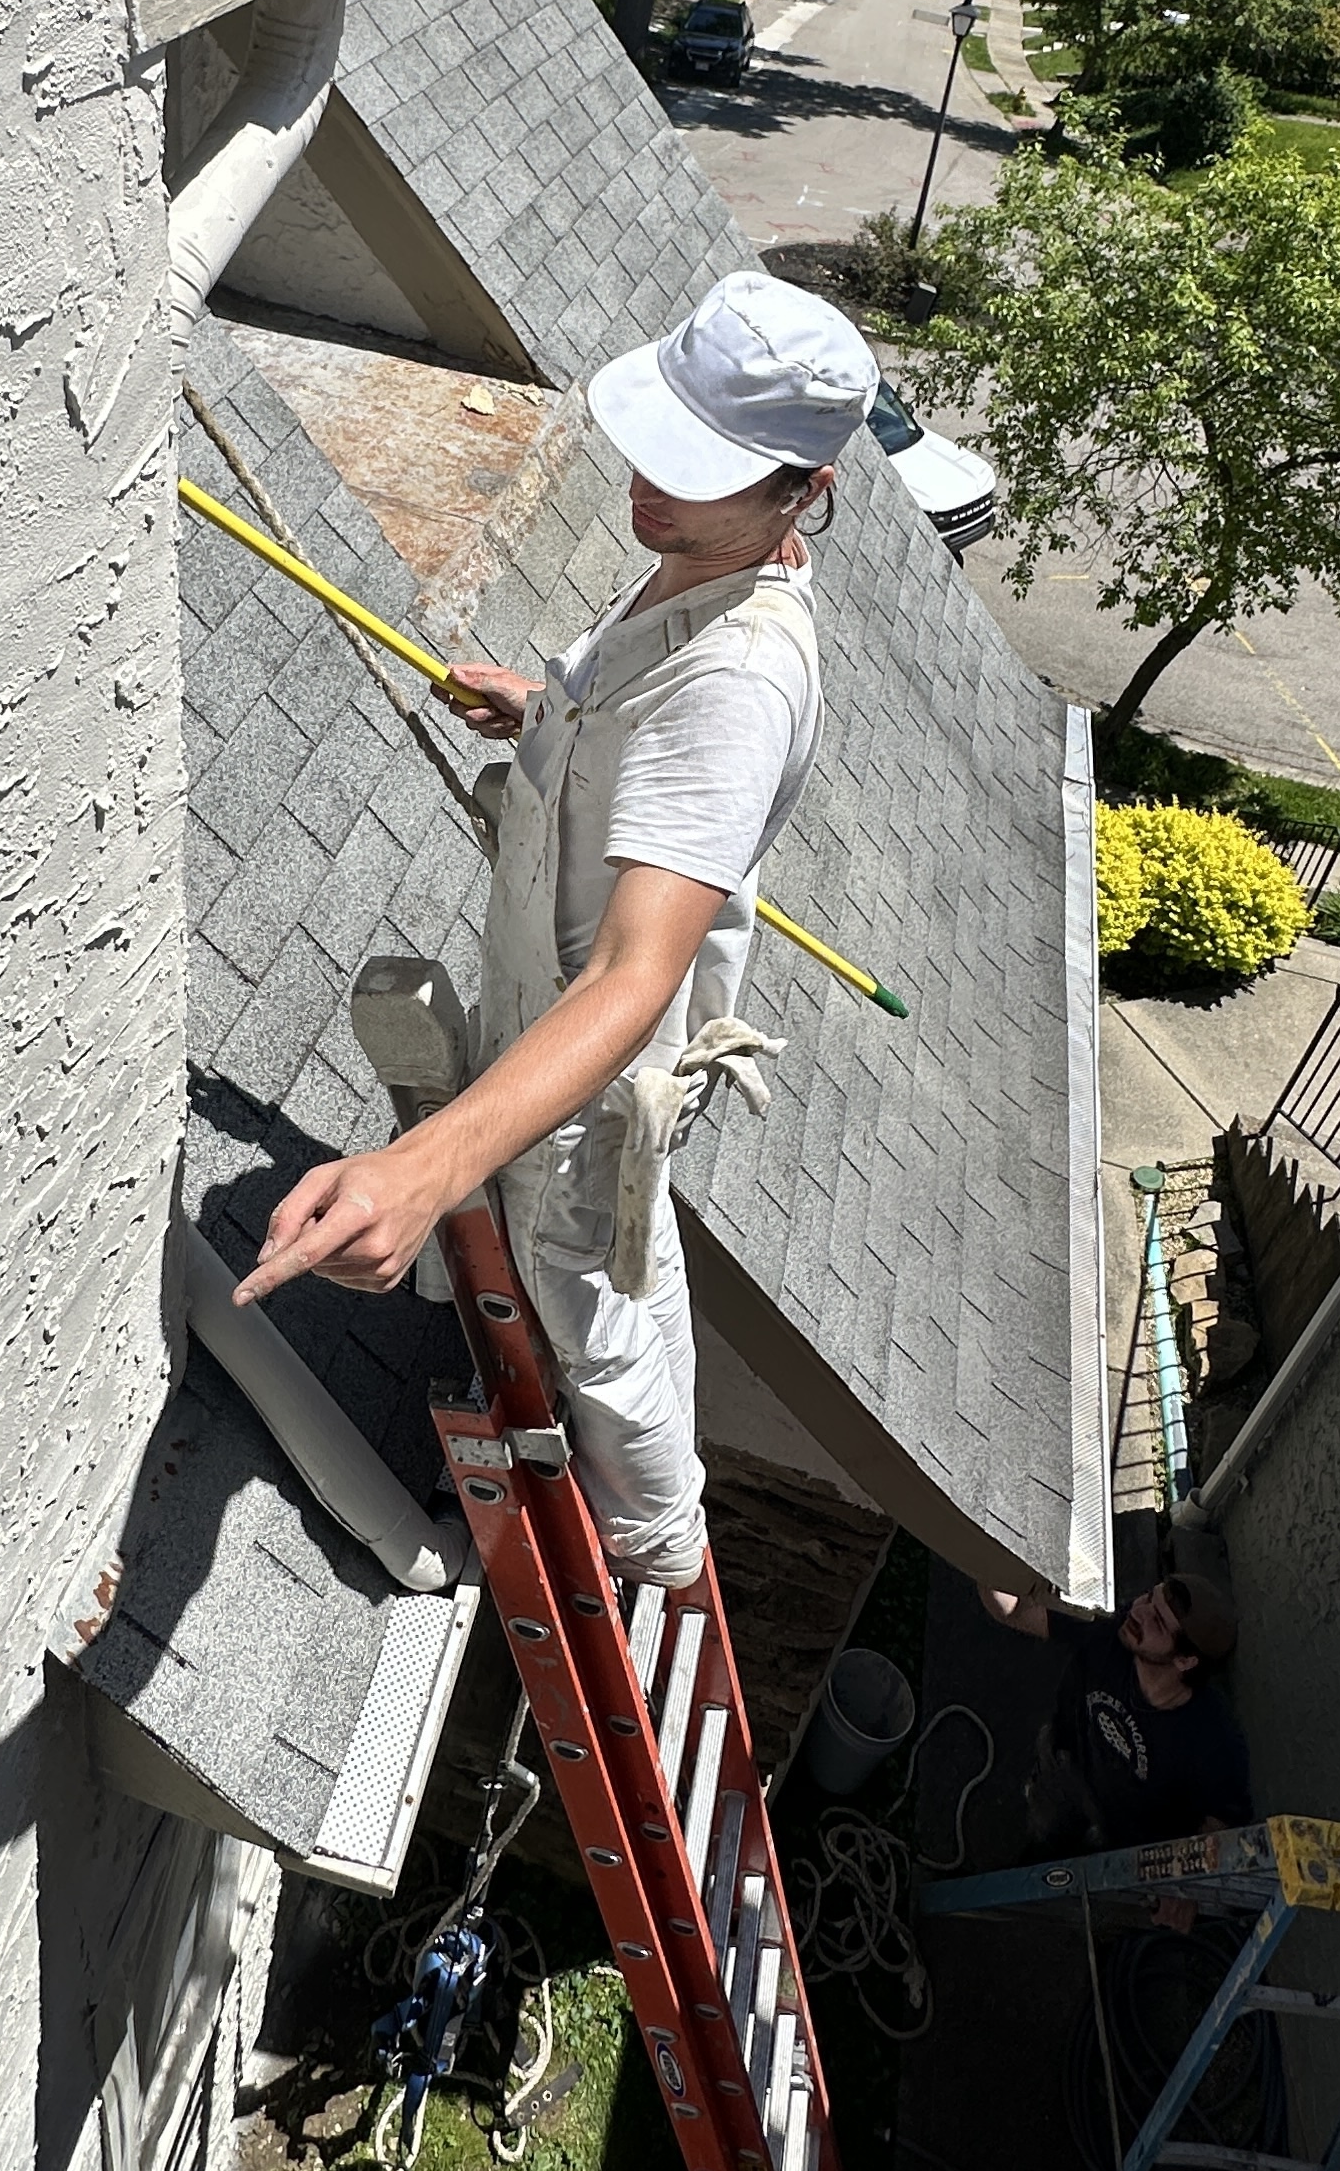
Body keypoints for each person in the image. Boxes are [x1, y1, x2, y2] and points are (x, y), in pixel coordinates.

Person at [239, 268, 880, 1588]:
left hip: (592, 1069)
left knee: (588, 1299)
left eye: (699, 468)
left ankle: (653, 1544)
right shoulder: (704, 568)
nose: (652, 483)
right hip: (554, 1013)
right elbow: (648, 752)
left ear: (801, 491)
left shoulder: (740, 685)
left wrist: (420, 1171)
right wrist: (549, 715)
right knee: (593, 1275)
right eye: (661, 439)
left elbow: (638, 977)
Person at [987, 1571, 1251, 1859]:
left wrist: (1184, 1885)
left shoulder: (1214, 1743)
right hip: (1066, 1766)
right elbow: (1017, 1611)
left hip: (1134, 1842)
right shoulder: (1113, 1625)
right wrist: (983, 1559)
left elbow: (1222, 1828)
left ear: (1185, 1660)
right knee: (1044, 1841)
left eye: (1158, 1622)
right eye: (1149, 1597)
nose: (1139, 1612)